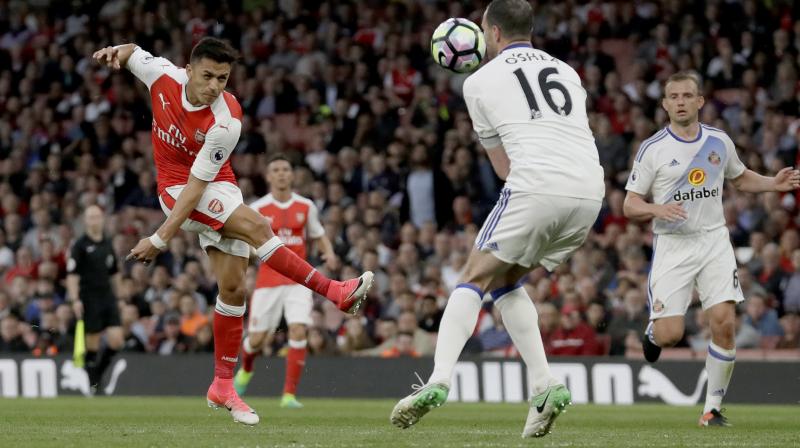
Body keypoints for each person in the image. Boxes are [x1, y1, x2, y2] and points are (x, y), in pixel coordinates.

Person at [91, 37, 374, 426]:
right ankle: (334, 291)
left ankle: (222, 385)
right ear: (188, 70)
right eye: (207, 76)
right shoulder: (161, 76)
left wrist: (159, 239)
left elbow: (203, 183)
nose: (214, 86)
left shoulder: (227, 120)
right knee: (259, 225)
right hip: (175, 191)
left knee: (234, 289)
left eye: (222, 78)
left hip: (217, 185)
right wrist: (114, 53)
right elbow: (131, 51)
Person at [391, 0, 605, 438]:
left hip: (536, 186)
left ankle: (438, 379)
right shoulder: (568, 72)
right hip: (590, 192)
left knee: (472, 277)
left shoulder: (479, 80)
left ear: (490, 33)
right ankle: (544, 384)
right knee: (506, 280)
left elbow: (504, 169)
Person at [623, 70, 800, 427]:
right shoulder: (653, 149)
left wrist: (772, 184)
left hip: (714, 239)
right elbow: (629, 205)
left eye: (687, 95)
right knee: (671, 334)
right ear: (664, 104)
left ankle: (712, 409)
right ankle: (653, 333)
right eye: (673, 97)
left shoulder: (718, 141)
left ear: (700, 100)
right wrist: (656, 208)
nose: (681, 102)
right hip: (673, 245)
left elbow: (739, 176)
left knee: (723, 322)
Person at [233, 154, 338, 409]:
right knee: (257, 340)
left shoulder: (306, 206)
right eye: (276, 170)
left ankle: (289, 395)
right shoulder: (258, 208)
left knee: (299, 329)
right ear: (268, 176)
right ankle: (246, 370)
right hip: (268, 281)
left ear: (292, 175)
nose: (281, 173)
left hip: (298, 282)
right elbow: (248, 243)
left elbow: (318, 234)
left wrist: (329, 252)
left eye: (285, 169)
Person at [66, 205, 124, 392]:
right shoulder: (80, 245)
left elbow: (114, 273)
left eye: (97, 216)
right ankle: (93, 382)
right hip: (89, 297)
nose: (94, 220)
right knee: (93, 340)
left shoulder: (107, 243)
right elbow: (72, 275)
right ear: (85, 221)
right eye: (91, 217)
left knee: (117, 340)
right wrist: (75, 299)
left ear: (102, 219)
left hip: (107, 296)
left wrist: (120, 296)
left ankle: (96, 373)